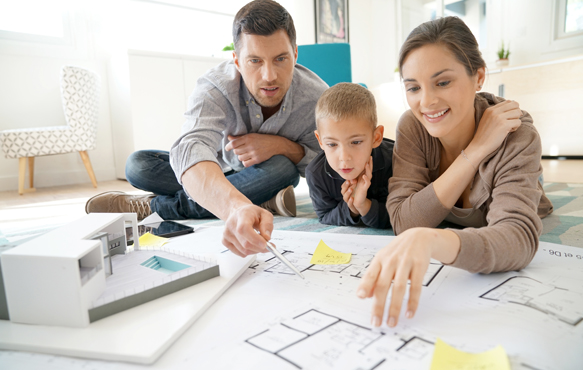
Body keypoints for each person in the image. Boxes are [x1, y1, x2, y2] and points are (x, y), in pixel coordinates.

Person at [85, 0, 328, 257]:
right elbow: (191, 148)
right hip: (216, 167)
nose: (269, 75)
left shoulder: (317, 98)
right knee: (138, 165)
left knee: (282, 170)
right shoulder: (216, 86)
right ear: (236, 60)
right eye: (255, 60)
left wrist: (287, 149)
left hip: (266, 174)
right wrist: (234, 206)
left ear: (296, 54)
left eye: (281, 59)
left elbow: (328, 166)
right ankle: (259, 199)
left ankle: (155, 207)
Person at [356, 17, 553, 329]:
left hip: (516, 185)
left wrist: (435, 240)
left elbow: (519, 237)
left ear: (478, 77)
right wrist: (475, 152)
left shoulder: (518, 135)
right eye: (413, 88)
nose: (427, 101)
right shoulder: (413, 126)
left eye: (443, 82)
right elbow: (404, 222)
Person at [306, 83, 394, 228]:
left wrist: (364, 205)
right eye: (332, 144)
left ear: (376, 137)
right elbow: (324, 216)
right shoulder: (316, 173)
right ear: (320, 140)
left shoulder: (396, 160)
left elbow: (405, 216)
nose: (344, 157)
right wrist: (352, 209)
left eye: (356, 142)